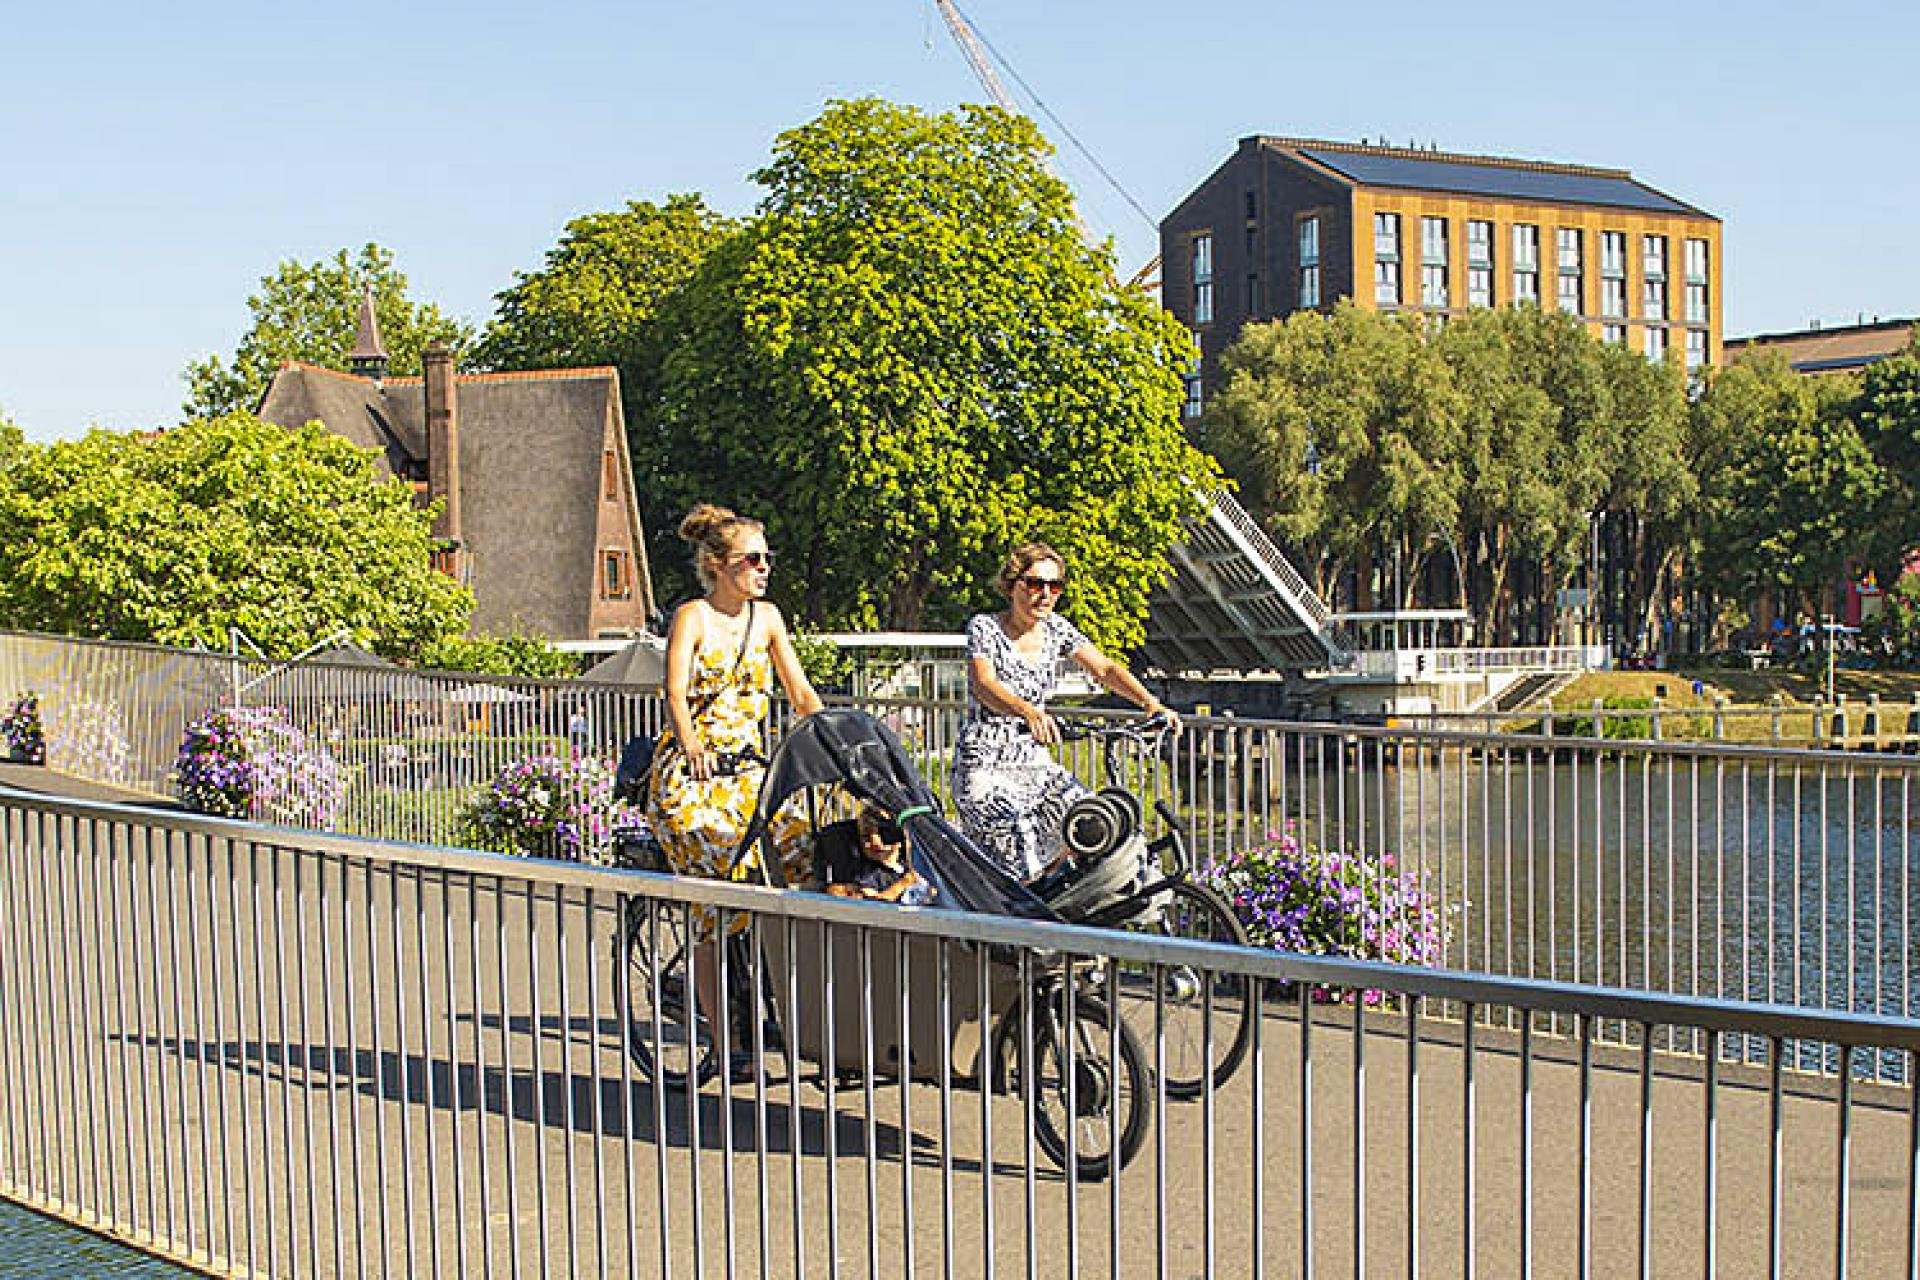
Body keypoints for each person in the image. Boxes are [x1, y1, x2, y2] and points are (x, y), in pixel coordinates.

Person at [646, 503, 823, 1074]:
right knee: (718, 898)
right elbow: (674, 692)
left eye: (768, 559)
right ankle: (725, 1042)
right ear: (719, 565)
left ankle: (798, 1015)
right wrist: (693, 743)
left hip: (749, 774)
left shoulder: (767, 619)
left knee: (805, 851)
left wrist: (832, 734)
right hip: (694, 777)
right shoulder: (692, 617)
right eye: (752, 560)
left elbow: (799, 690)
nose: (764, 568)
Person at [950, 541, 1180, 882]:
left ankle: (1056, 906)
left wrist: (1149, 702)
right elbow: (983, 684)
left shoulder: (1057, 629)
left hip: (1031, 760)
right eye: (1034, 584)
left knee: (1092, 821)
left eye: (1054, 586)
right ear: (1013, 585)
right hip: (986, 762)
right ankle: (1014, 921)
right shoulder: (985, 627)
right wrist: (1026, 711)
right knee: (1019, 851)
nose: (1045, 594)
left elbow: (1103, 669)